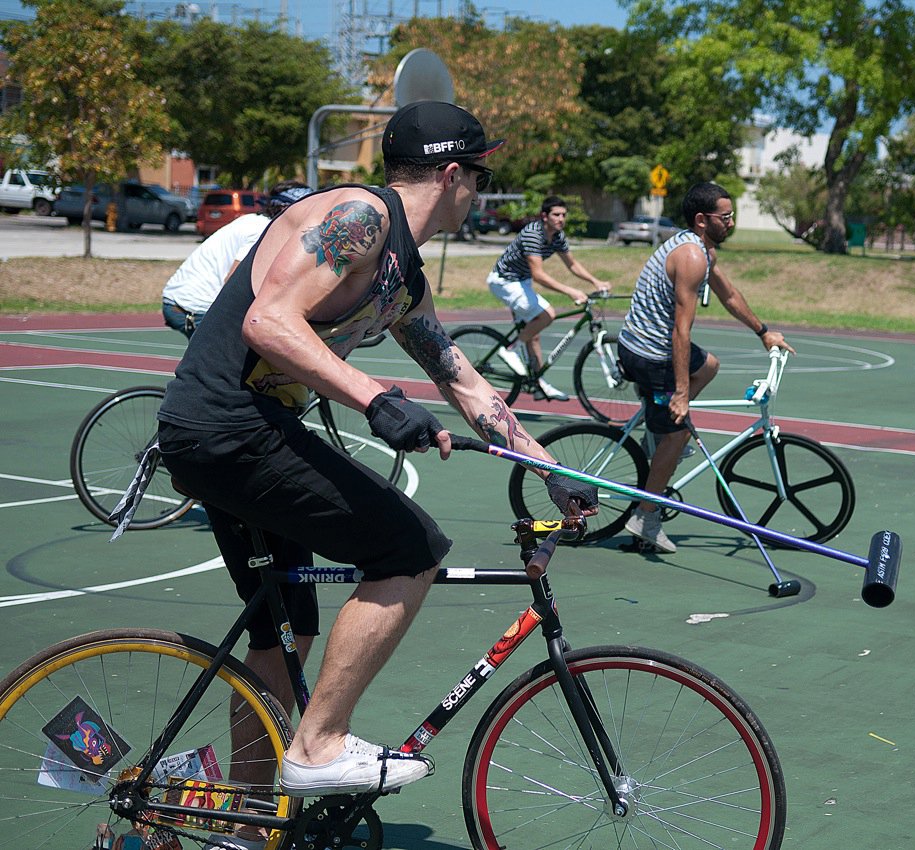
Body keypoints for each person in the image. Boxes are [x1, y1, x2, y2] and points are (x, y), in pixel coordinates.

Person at [152, 101, 597, 842]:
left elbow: (466, 382)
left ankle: (246, 824)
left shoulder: (404, 277)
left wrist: (550, 468)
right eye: (481, 175)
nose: (482, 191)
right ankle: (320, 746)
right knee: (407, 548)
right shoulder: (360, 217)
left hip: (242, 432)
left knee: (282, 638)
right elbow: (268, 321)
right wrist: (375, 399)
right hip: (228, 427)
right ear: (453, 174)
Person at [615, 182, 794, 554]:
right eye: (725, 217)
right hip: (650, 354)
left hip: (649, 344)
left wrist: (763, 332)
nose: (731, 223)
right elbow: (681, 331)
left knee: (709, 365)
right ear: (701, 220)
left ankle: (660, 429)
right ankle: (645, 516)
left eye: (732, 216)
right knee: (678, 432)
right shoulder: (692, 258)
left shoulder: (703, 250)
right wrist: (681, 394)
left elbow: (728, 294)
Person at [486, 195, 609, 400]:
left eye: (563, 215)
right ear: (545, 216)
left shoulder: (558, 236)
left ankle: (537, 384)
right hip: (504, 282)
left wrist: (596, 282)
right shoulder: (533, 234)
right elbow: (539, 275)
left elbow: (572, 265)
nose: (561, 219)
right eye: (556, 215)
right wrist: (571, 291)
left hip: (521, 282)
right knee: (547, 315)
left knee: (533, 332)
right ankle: (510, 349)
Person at [160, 181, 312, 337]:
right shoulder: (262, 230)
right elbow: (234, 281)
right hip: (194, 306)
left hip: (183, 299)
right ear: (285, 208)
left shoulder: (255, 221)